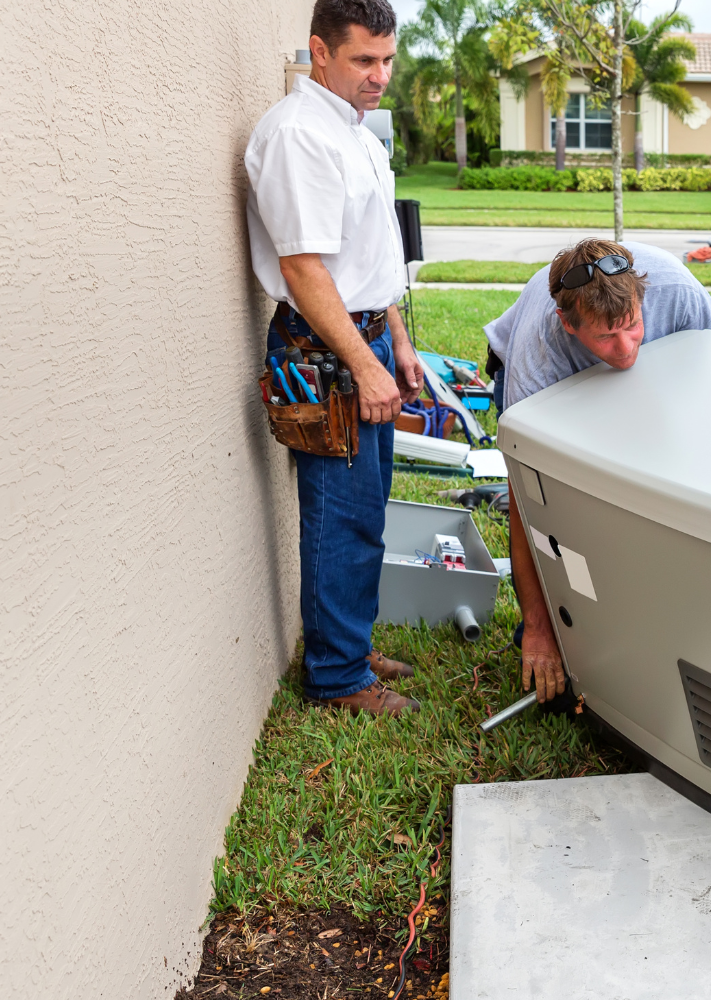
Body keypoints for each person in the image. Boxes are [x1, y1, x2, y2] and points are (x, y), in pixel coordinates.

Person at [245, 0, 424, 716]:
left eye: (387, 59)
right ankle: (337, 676)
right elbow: (305, 271)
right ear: (320, 52)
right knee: (338, 512)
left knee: (367, 507)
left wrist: (400, 344)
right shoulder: (297, 136)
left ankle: (347, 641)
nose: (380, 76)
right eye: (363, 61)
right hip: (323, 346)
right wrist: (365, 361)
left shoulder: (358, 135)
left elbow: (369, 263)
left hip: (367, 335)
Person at [483, 239, 711, 703]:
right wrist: (539, 631)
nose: (624, 349)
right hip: (554, 387)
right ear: (567, 323)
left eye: (633, 327)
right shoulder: (538, 356)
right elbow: (525, 500)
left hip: (655, 376)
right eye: (605, 337)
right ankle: (553, 632)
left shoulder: (676, 289)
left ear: (644, 301)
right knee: (568, 507)